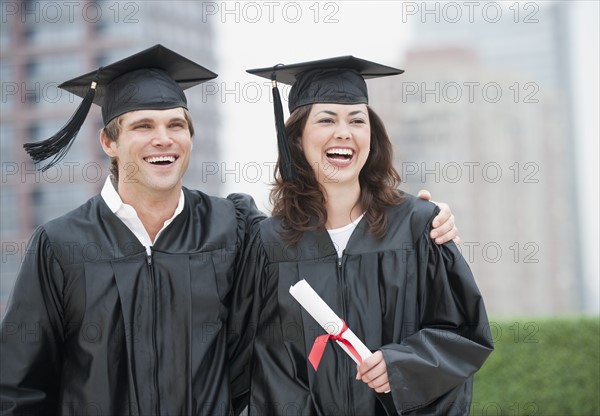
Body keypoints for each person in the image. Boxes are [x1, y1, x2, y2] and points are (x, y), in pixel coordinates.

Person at [0, 47, 457, 415]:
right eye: (143, 126)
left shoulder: (235, 227)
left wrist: (412, 220)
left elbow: (322, 248)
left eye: (176, 124)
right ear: (109, 142)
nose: (164, 138)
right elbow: (20, 386)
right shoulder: (62, 245)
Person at [228, 56, 493, 415]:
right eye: (326, 120)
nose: (344, 132)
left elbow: (464, 335)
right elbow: (258, 357)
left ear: (372, 137)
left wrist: (404, 367)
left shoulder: (418, 226)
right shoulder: (270, 243)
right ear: (297, 139)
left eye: (357, 120)